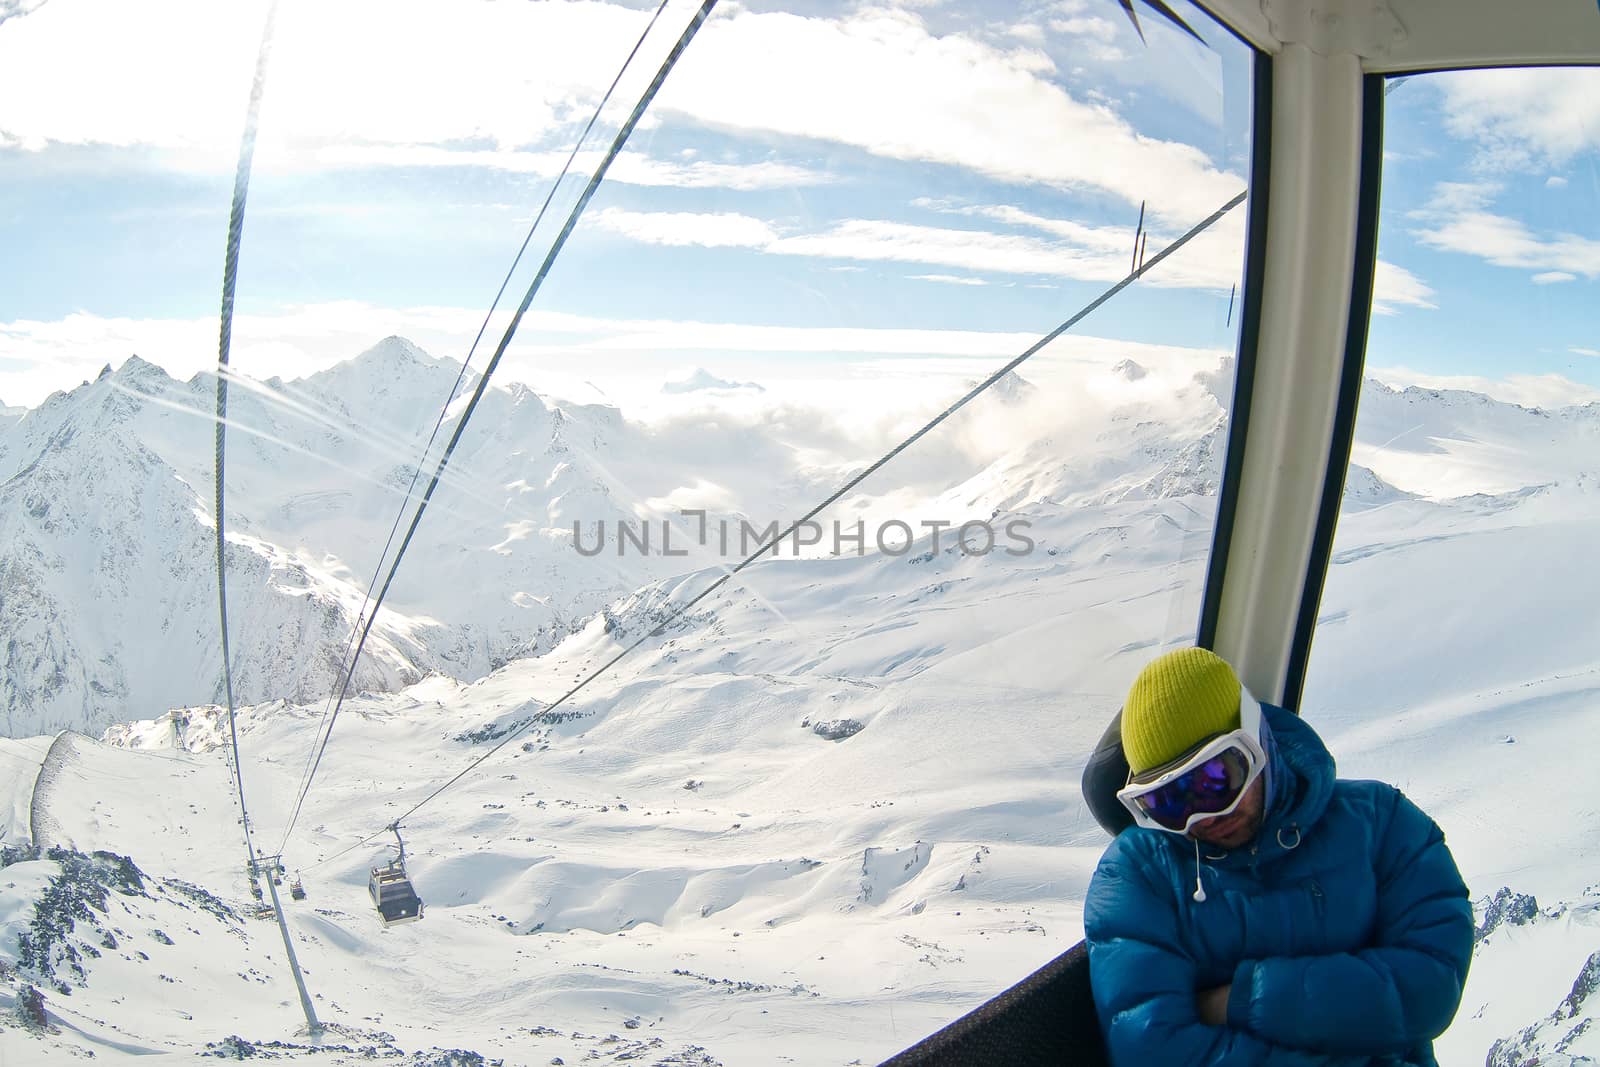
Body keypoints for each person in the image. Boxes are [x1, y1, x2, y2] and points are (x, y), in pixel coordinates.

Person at [1083, 647, 1473, 1066]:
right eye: (1169, 802)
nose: (1206, 818)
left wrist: (1242, 1000)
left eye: (1217, 779)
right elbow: (1156, 1051)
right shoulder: (1138, 877)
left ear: (1256, 739)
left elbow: (1429, 985)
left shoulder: (1383, 825)